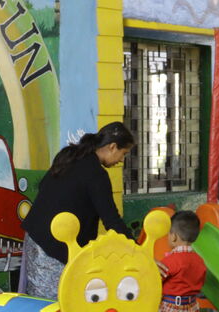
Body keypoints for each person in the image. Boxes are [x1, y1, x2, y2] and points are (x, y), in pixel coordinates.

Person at [20, 123, 135, 299]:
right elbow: (112, 221)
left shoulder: (70, 156)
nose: (121, 160)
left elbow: (44, 186)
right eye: (123, 153)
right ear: (112, 147)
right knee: (56, 304)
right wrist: (138, 252)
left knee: (39, 302)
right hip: (53, 248)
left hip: (35, 237)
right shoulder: (96, 174)